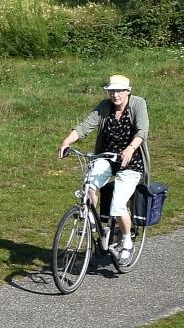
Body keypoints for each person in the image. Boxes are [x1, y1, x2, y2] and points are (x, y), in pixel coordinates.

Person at [57, 74, 150, 263]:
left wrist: (130, 149)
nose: (115, 95)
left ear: (127, 92)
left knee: (117, 206)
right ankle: (94, 224)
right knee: (89, 185)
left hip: (130, 161)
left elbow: (142, 131)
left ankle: (126, 241)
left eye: (119, 91)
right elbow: (84, 126)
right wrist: (66, 141)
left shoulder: (138, 104)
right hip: (106, 157)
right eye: (111, 91)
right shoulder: (104, 107)